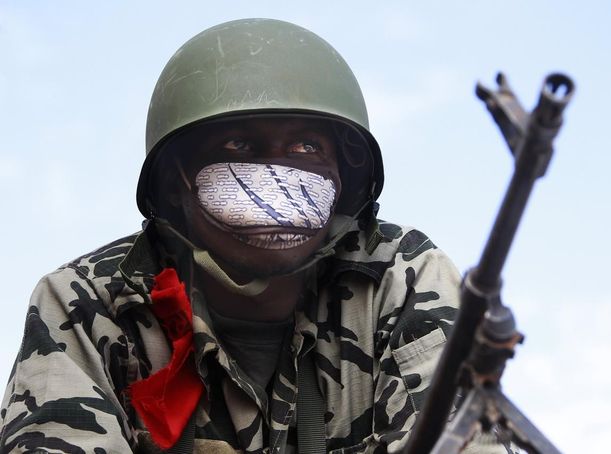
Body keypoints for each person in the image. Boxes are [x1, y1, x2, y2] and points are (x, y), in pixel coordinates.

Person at [0, 19, 507, 453]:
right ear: (177, 182)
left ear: (340, 178)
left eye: (307, 147)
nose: (278, 175)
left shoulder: (400, 278)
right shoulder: (92, 304)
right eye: (239, 145)